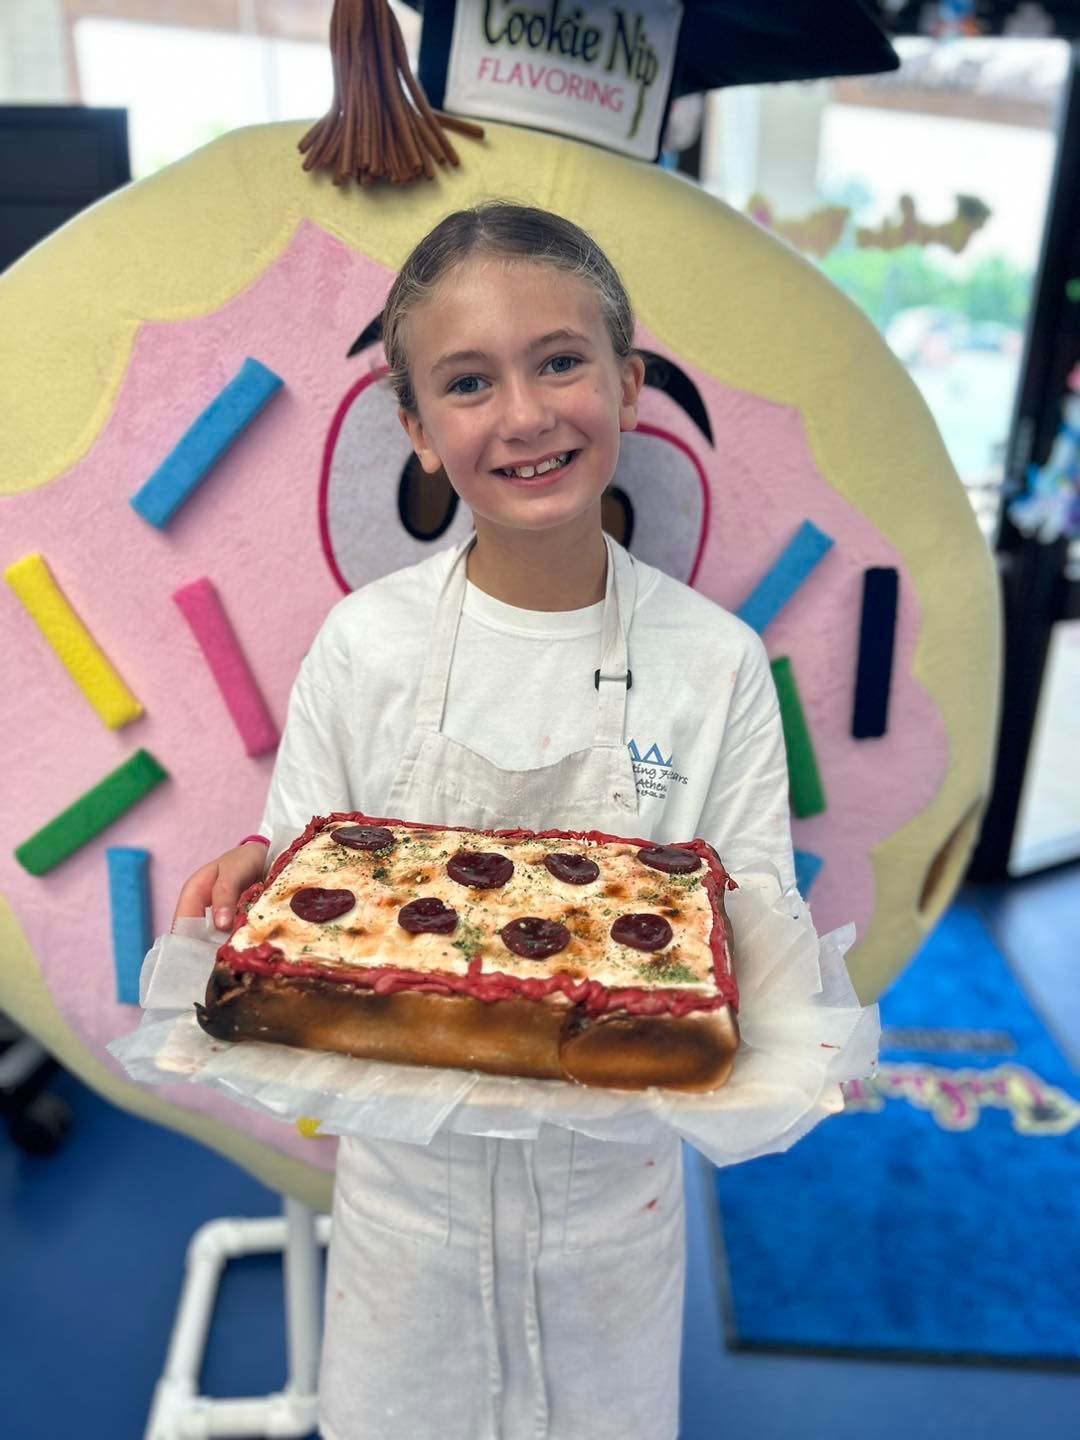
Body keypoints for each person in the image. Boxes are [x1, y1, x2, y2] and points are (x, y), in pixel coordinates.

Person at [174, 201, 795, 1440]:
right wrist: (265, 881)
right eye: (468, 382)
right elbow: (304, 893)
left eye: (560, 361)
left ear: (628, 384)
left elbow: (756, 936)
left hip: (615, 1212)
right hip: (408, 1207)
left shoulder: (718, 666)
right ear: (414, 427)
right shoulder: (364, 647)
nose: (523, 415)